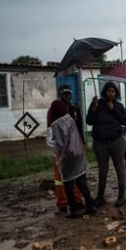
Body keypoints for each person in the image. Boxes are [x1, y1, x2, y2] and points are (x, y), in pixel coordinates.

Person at [47, 101, 96, 218]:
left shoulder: (55, 125)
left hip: (66, 158)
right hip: (78, 154)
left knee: (68, 183)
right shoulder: (70, 120)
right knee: (81, 181)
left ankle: (73, 210)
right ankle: (90, 204)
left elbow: (54, 143)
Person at [86, 81, 126, 207]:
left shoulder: (119, 105)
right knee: (103, 170)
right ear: (104, 92)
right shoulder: (97, 104)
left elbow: (125, 121)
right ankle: (100, 197)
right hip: (100, 144)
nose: (111, 93)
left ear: (116, 93)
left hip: (117, 141)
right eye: (108, 91)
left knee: (120, 168)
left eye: (113, 91)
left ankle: (121, 197)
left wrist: (113, 109)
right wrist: (93, 108)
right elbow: (89, 121)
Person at [47, 85, 83, 214]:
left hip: (74, 147)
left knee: (77, 174)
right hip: (60, 148)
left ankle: (78, 200)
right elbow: (50, 129)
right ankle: (62, 202)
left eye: (69, 94)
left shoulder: (75, 109)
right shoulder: (54, 110)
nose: (67, 96)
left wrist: (81, 144)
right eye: (64, 94)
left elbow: (79, 127)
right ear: (60, 95)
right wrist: (55, 148)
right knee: (60, 177)